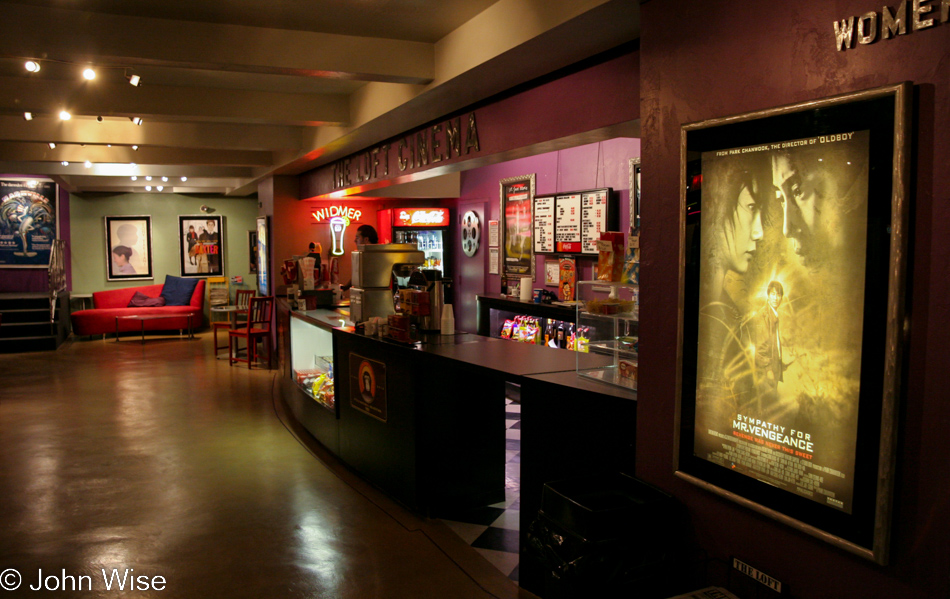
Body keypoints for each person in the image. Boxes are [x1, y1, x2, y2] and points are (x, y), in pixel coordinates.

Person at [753, 281, 794, 417]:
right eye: (773, 294)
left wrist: (780, 363)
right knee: (766, 409)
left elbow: (773, 344)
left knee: (770, 410)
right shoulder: (763, 315)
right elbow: (760, 349)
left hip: (773, 367)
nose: (776, 298)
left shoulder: (774, 314)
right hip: (766, 370)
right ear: (768, 296)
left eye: (779, 294)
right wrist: (769, 369)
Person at [342, 225, 378, 292]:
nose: (355, 240)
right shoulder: (367, 254)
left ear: (366, 239)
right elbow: (357, 274)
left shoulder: (370, 256)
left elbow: (358, 274)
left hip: (370, 293)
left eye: (357, 238)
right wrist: (345, 287)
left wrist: (345, 287)